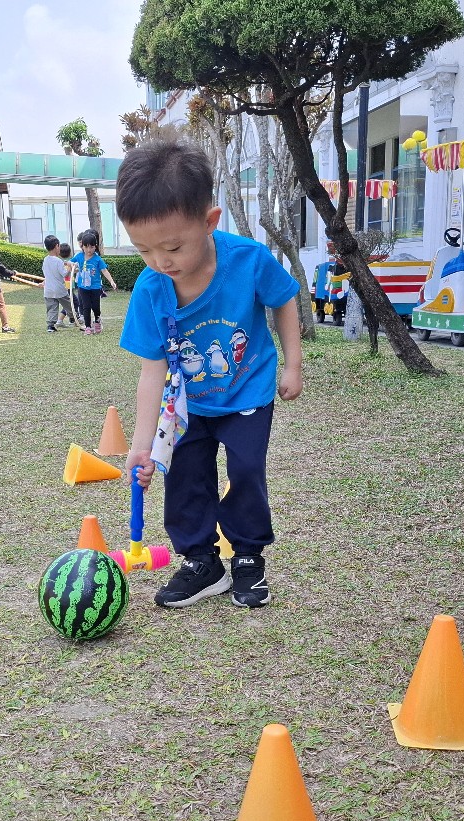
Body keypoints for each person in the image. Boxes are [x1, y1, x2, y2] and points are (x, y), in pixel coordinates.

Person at [116, 141, 302, 609]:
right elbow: (152, 372)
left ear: (210, 221)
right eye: (143, 250)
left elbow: (284, 299)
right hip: (188, 403)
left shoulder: (248, 259)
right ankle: (202, 562)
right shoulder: (151, 289)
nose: (161, 262)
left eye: (173, 247)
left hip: (247, 391)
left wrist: (293, 364)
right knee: (184, 477)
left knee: (245, 471)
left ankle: (248, 557)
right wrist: (142, 444)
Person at [70, 229, 118, 334]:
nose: (89, 249)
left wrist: (111, 281)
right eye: (86, 246)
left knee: (96, 307)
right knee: (86, 307)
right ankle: (88, 327)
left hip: (95, 287)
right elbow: (69, 263)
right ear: (82, 246)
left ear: (95, 246)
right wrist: (71, 265)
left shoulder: (97, 259)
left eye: (91, 247)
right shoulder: (79, 256)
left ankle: (97, 321)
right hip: (83, 287)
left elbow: (104, 270)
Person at [41, 235, 68, 333]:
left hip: (48, 290)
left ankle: (50, 326)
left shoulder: (46, 259)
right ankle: (75, 318)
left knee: (52, 308)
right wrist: (70, 268)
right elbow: (64, 273)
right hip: (59, 290)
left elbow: (45, 272)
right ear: (57, 246)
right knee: (69, 305)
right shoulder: (58, 261)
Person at [57, 243, 78, 326]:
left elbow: (72, 271)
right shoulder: (67, 263)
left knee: (70, 303)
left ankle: (71, 319)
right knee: (73, 303)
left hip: (67, 286)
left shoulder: (61, 262)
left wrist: (76, 270)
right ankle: (68, 319)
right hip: (67, 287)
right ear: (69, 253)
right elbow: (69, 271)